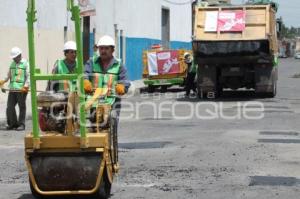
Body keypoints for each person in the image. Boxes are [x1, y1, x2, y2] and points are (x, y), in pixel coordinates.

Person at [84, 35, 130, 126]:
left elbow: (125, 80)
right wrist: (85, 82)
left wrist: (122, 87)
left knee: (111, 127)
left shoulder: (119, 65)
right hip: (94, 102)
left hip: (113, 102)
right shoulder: (91, 62)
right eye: (101, 48)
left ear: (112, 50)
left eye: (106, 48)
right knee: (94, 127)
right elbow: (85, 74)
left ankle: (112, 139)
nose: (103, 51)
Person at [0, 47, 30, 130]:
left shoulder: (25, 63)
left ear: (19, 55)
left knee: (22, 107)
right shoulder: (12, 64)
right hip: (12, 89)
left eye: (15, 57)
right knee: (10, 106)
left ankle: (21, 124)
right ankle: (12, 123)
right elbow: (9, 75)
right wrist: (3, 81)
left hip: (21, 89)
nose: (13, 59)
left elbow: (29, 76)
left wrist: (26, 86)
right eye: (13, 57)